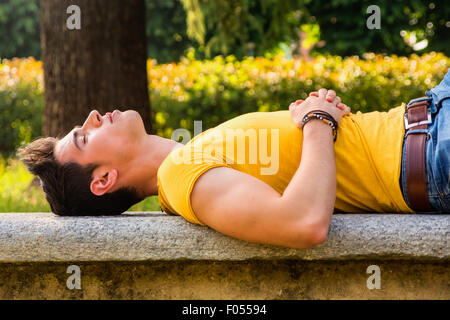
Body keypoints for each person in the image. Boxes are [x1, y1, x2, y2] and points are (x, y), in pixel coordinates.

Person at [18, 70, 450, 249]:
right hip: (431, 149)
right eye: (83, 135)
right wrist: (319, 121)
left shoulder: (191, 156)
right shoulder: (184, 178)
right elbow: (303, 223)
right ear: (104, 179)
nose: (92, 117)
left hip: (431, 118)